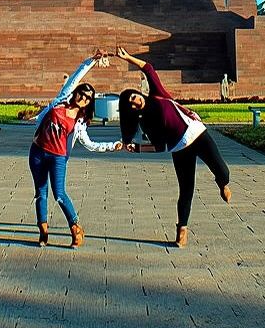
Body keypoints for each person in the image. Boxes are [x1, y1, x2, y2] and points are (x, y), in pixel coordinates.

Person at [114, 47, 231, 247]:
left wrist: (127, 58)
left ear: (137, 93)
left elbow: (149, 69)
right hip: (179, 148)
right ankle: (182, 230)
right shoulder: (146, 122)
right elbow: (160, 146)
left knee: (222, 170)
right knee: (186, 190)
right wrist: (139, 149)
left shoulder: (157, 94)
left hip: (197, 134)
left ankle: (222, 184)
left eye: (133, 97)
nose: (135, 101)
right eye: (131, 104)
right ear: (131, 111)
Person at [30, 52, 123, 247]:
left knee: (60, 194)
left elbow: (89, 144)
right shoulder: (60, 101)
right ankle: (43, 231)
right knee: (40, 192)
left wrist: (111, 145)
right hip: (38, 151)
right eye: (82, 93)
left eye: (88, 98)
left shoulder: (80, 122)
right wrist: (92, 61)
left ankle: (76, 228)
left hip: (58, 158)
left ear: (90, 103)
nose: (84, 98)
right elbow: (74, 78)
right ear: (76, 93)